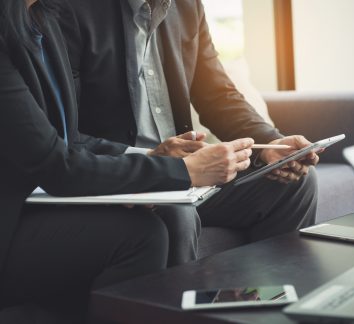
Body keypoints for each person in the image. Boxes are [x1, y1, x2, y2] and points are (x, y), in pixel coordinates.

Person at [0, 0, 254, 322]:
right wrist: (181, 171)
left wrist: (152, 157)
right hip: (13, 218)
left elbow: (71, 138)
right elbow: (55, 166)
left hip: (39, 200)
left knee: (147, 230)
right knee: (142, 236)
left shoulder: (42, 20)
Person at [58, 0, 320, 266]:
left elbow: (218, 97)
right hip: (124, 176)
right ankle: (176, 307)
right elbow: (64, 131)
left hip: (190, 175)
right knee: (176, 213)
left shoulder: (186, 6)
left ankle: (273, 302)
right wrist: (152, 158)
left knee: (296, 184)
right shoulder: (72, 10)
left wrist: (272, 142)